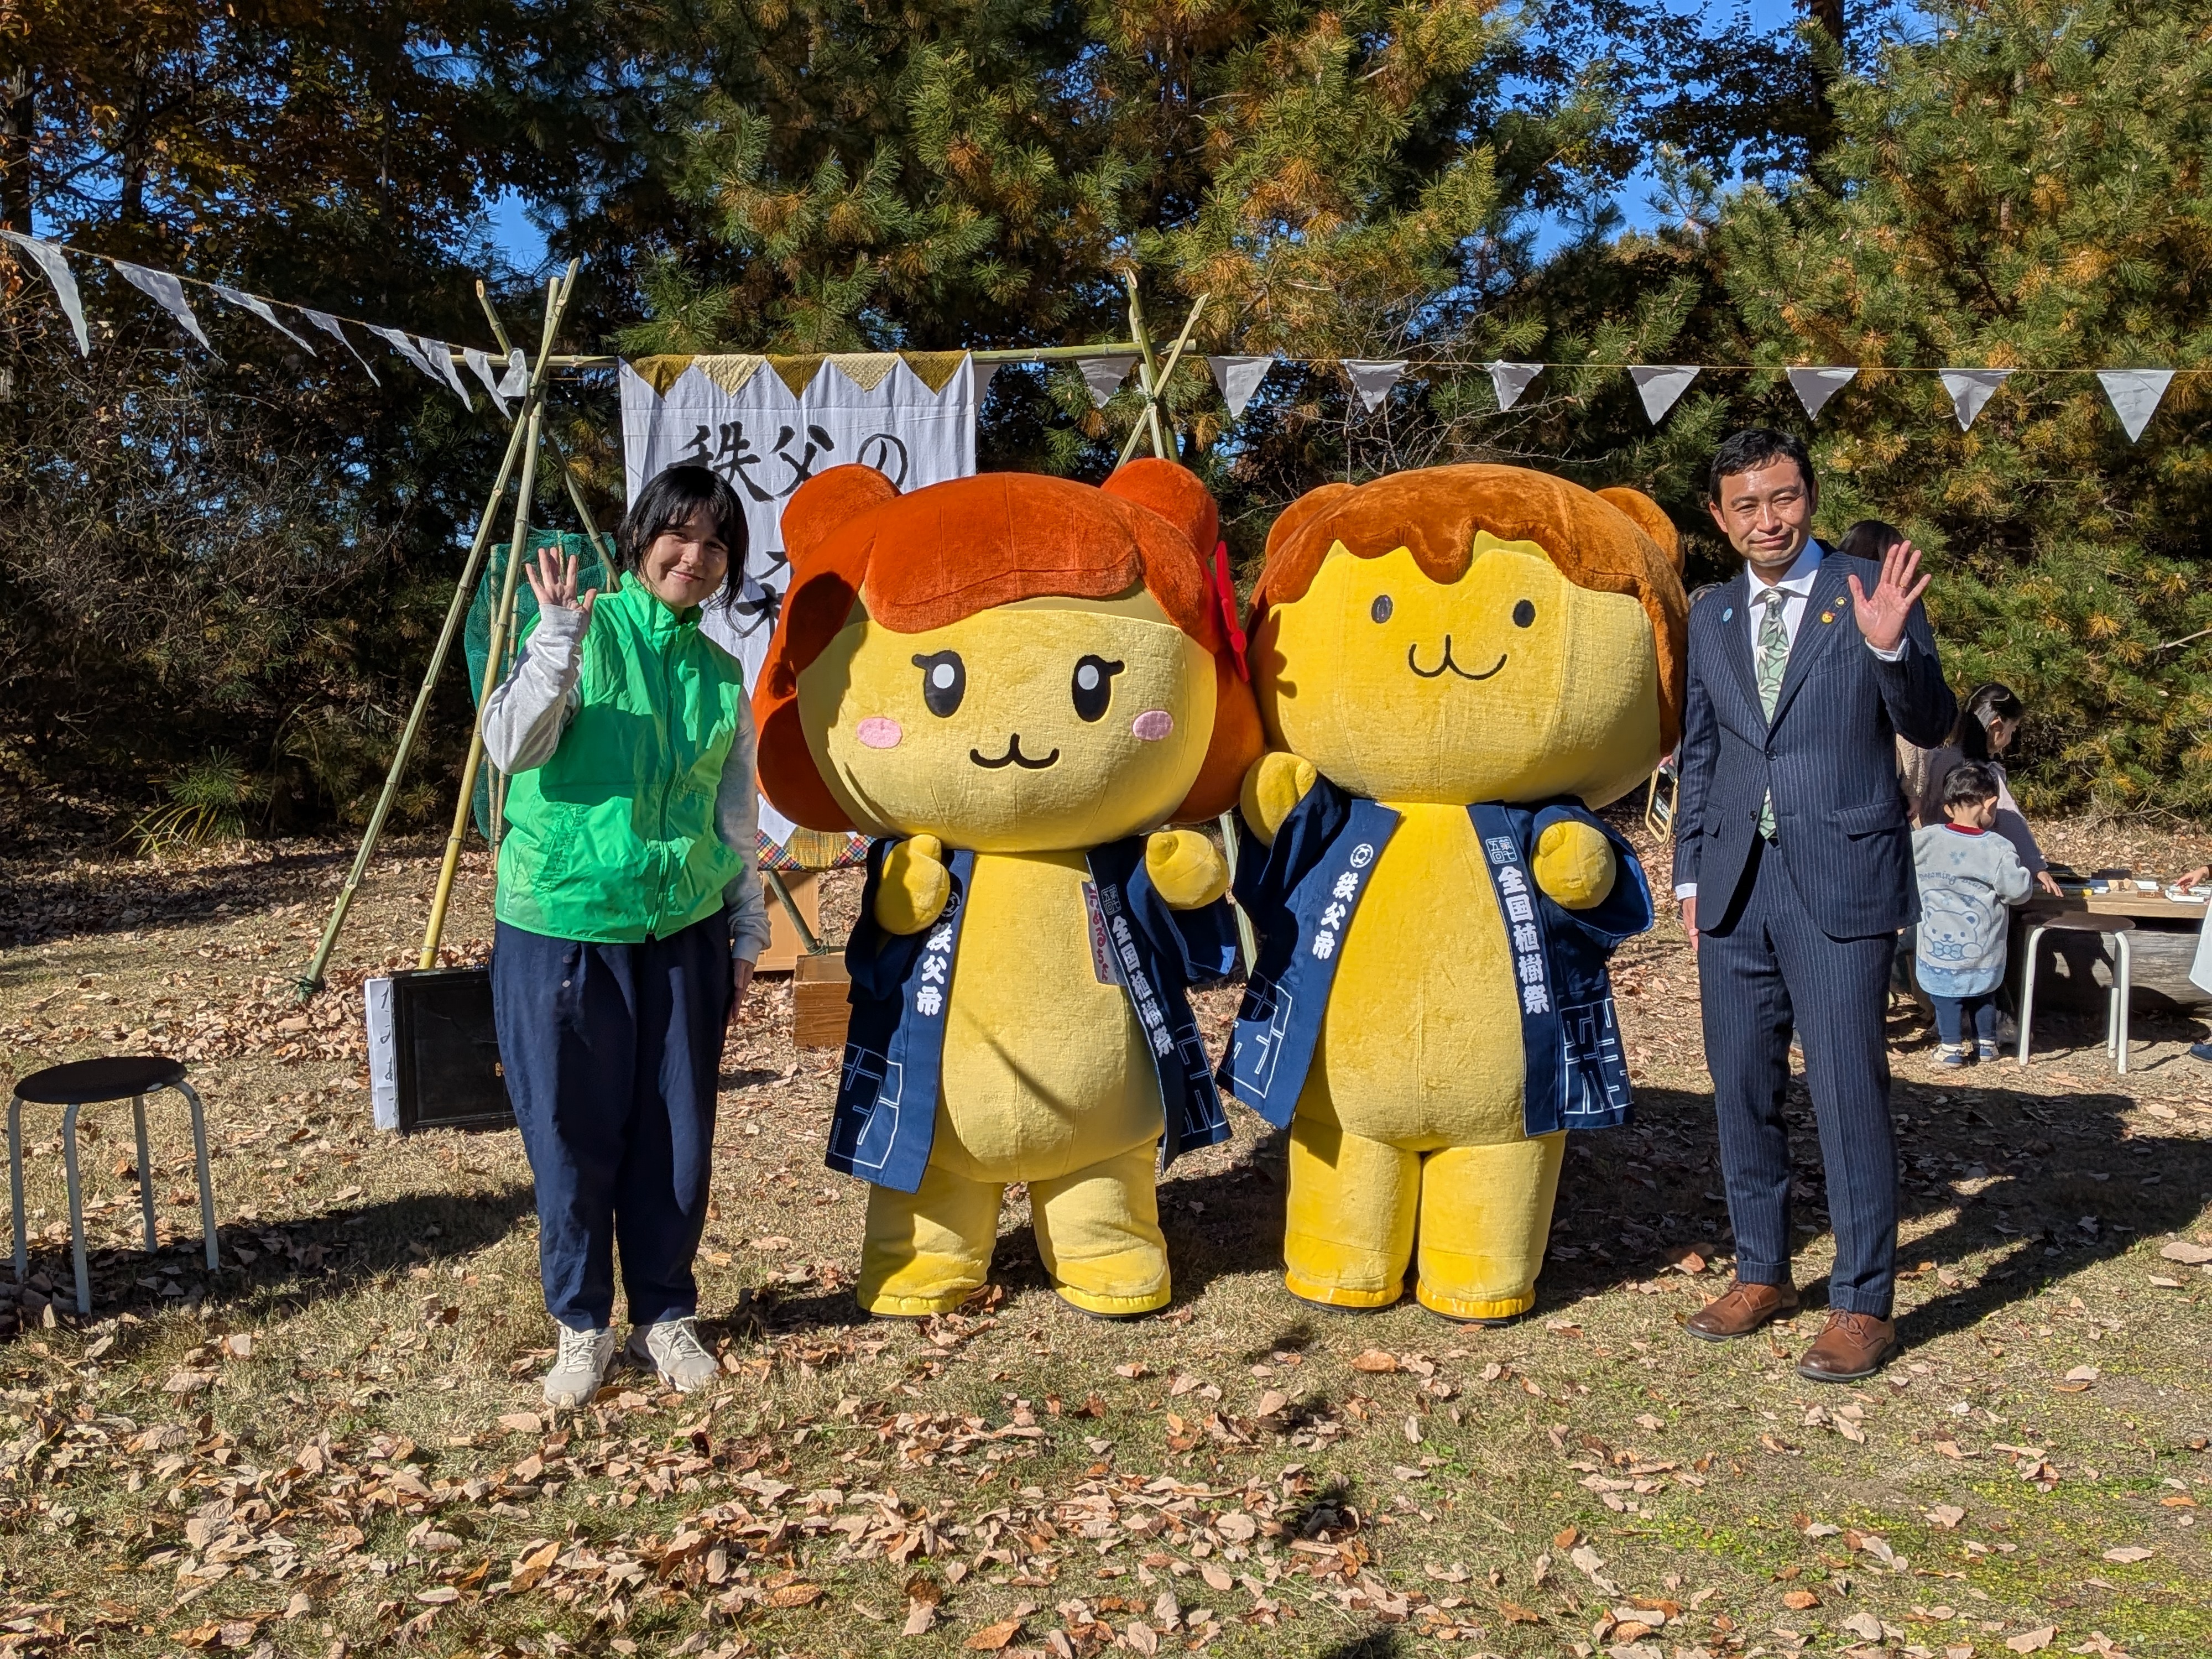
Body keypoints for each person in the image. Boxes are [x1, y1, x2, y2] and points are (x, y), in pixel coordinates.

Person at [482, 464, 773, 1406]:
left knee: (677, 1138)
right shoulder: (581, 629)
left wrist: (745, 924)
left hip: (682, 930)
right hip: (563, 926)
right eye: (680, 537)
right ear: (643, 538)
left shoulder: (721, 674)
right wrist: (558, 640)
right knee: (572, 1136)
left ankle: (665, 1316)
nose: (696, 557)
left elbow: (734, 815)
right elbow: (509, 746)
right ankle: (580, 1327)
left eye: (717, 544)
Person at [1673, 429, 1957, 1383]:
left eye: (1784, 498)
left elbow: (1927, 721)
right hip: (1734, 888)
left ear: (1811, 497)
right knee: (1742, 1087)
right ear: (1719, 517)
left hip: (1841, 879)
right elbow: (1701, 751)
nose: (1769, 520)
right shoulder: (1710, 615)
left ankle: (1862, 1301)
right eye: (1746, 505)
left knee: (1846, 1092)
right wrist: (1687, 875)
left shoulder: (1869, 589)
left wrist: (1889, 653)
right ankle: (1762, 1271)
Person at [1912, 763, 2032, 1065]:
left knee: (1945, 995)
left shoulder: (1926, 839)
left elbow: (1899, 862)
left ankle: (1951, 1047)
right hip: (1983, 947)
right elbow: (2017, 893)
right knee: (1984, 994)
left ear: (1949, 808)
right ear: (1991, 804)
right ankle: (1987, 1044)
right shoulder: (1998, 848)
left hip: (1937, 943)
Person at [1897, 678, 2062, 896]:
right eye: (2012, 729)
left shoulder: (1935, 760)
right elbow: (2010, 820)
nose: (2011, 738)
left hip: (1933, 865)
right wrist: (2036, 866)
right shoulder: (1982, 776)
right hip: (1976, 867)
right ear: (1996, 727)